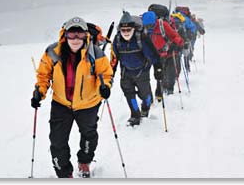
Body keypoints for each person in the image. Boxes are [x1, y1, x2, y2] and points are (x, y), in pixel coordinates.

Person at [31, 17, 113, 178]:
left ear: (85, 36)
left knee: (89, 136)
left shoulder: (95, 53)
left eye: (80, 35)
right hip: (61, 103)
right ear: (65, 35)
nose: (75, 39)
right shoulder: (52, 52)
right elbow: (43, 75)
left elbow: (105, 74)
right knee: (57, 141)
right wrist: (39, 92)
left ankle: (84, 161)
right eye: (72, 35)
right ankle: (64, 174)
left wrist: (104, 87)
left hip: (88, 104)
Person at [110, 11, 162, 126]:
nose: (126, 32)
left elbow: (153, 55)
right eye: (123, 30)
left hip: (141, 72)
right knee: (129, 94)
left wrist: (158, 69)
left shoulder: (141, 38)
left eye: (129, 30)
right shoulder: (117, 40)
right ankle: (135, 115)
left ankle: (145, 107)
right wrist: (110, 75)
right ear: (120, 30)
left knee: (146, 96)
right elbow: (114, 59)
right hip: (126, 72)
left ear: (133, 28)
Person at [142, 11, 184, 97]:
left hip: (165, 52)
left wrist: (179, 43)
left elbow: (174, 35)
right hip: (152, 54)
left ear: (155, 21)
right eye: (147, 26)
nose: (149, 28)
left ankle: (168, 89)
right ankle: (157, 91)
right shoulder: (142, 27)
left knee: (167, 72)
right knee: (154, 74)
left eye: (151, 26)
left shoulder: (163, 25)